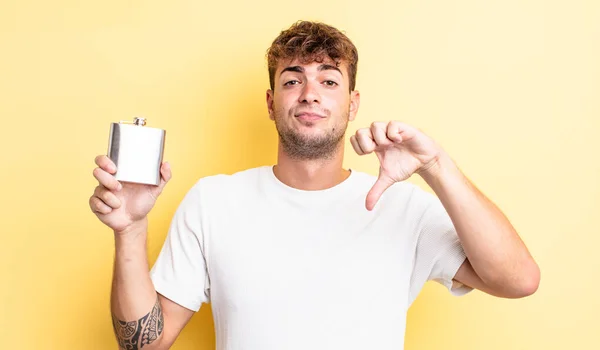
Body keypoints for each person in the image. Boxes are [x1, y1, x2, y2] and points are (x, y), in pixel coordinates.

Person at [89, 20, 540, 350]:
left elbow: (518, 280)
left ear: (352, 103)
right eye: (292, 80)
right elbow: (142, 344)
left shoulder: (402, 207)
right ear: (270, 103)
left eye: (328, 80)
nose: (310, 93)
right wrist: (129, 230)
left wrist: (436, 166)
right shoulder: (214, 201)